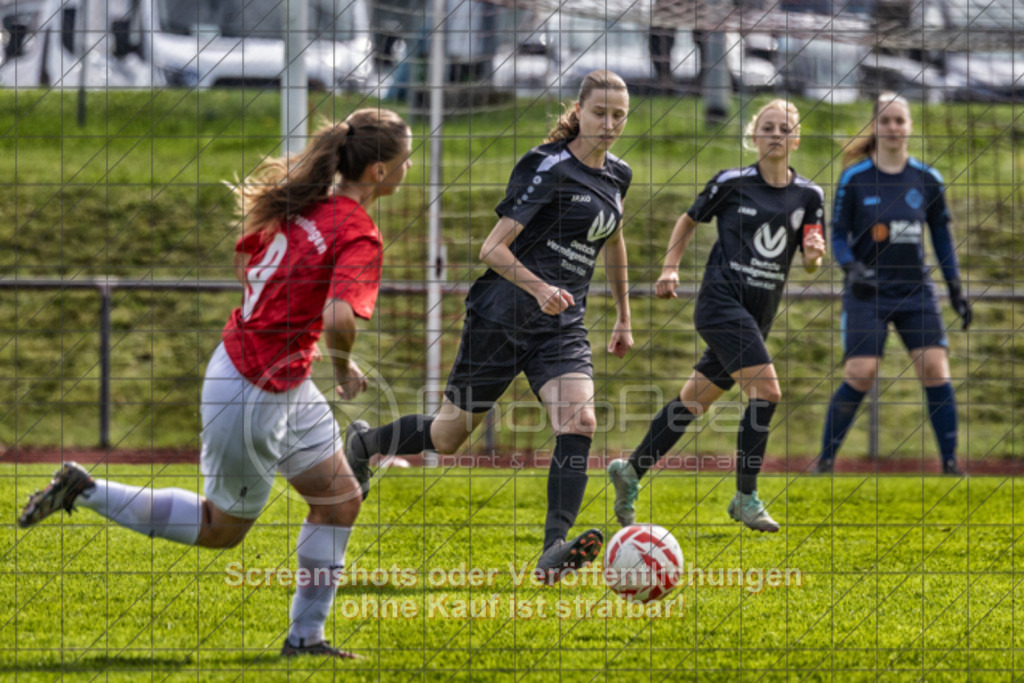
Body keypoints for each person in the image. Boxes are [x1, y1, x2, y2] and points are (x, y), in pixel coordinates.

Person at [18, 109, 414, 659]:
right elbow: (340, 318)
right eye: (404, 160)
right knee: (221, 528)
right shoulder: (354, 229)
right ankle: (84, 490)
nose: (408, 168)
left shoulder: (305, 207)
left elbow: (245, 261)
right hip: (255, 390)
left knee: (341, 500)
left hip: (274, 378)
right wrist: (344, 369)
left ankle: (306, 640)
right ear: (377, 172)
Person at [345, 70, 635, 581]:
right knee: (449, 435)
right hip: (502, 314)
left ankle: (553, 549)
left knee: (580, 423)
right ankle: (367, 446)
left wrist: (623, 314)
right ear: (580, 111)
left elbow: (610, 240)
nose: (609, 124)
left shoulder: (619, 176)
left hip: (561, 326)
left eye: (619, 116)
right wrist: (541, 288)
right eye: (600, 113)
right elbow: (491, 249)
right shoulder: (546, 165)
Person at [607, 98, 826, 533]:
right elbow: (687, 221)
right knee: (767, 392)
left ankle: (631, 471)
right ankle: (745, 497)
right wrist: (669, 267)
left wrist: (815, 256)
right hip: (720, 306)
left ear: (796, 138)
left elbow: (810, 258)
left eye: (785, 128)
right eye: (768, 127)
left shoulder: (810, 196)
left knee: (690, 403)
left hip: (757, 316)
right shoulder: (731, 183)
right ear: (754, 135)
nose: (776, 134)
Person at [814, 92, 971, 475]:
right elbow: (836, 234)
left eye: (899, 120)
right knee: (861, 372)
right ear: (875, 126)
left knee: (935, 368)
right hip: (867, 292)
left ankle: (951, 465)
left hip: (915, 292)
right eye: (885, 121)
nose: (893, 128)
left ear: (910, 127)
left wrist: (955, 288)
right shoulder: (855, 178)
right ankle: (825, 464)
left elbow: (942, 238)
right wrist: (851, 268)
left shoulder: (927, 179)